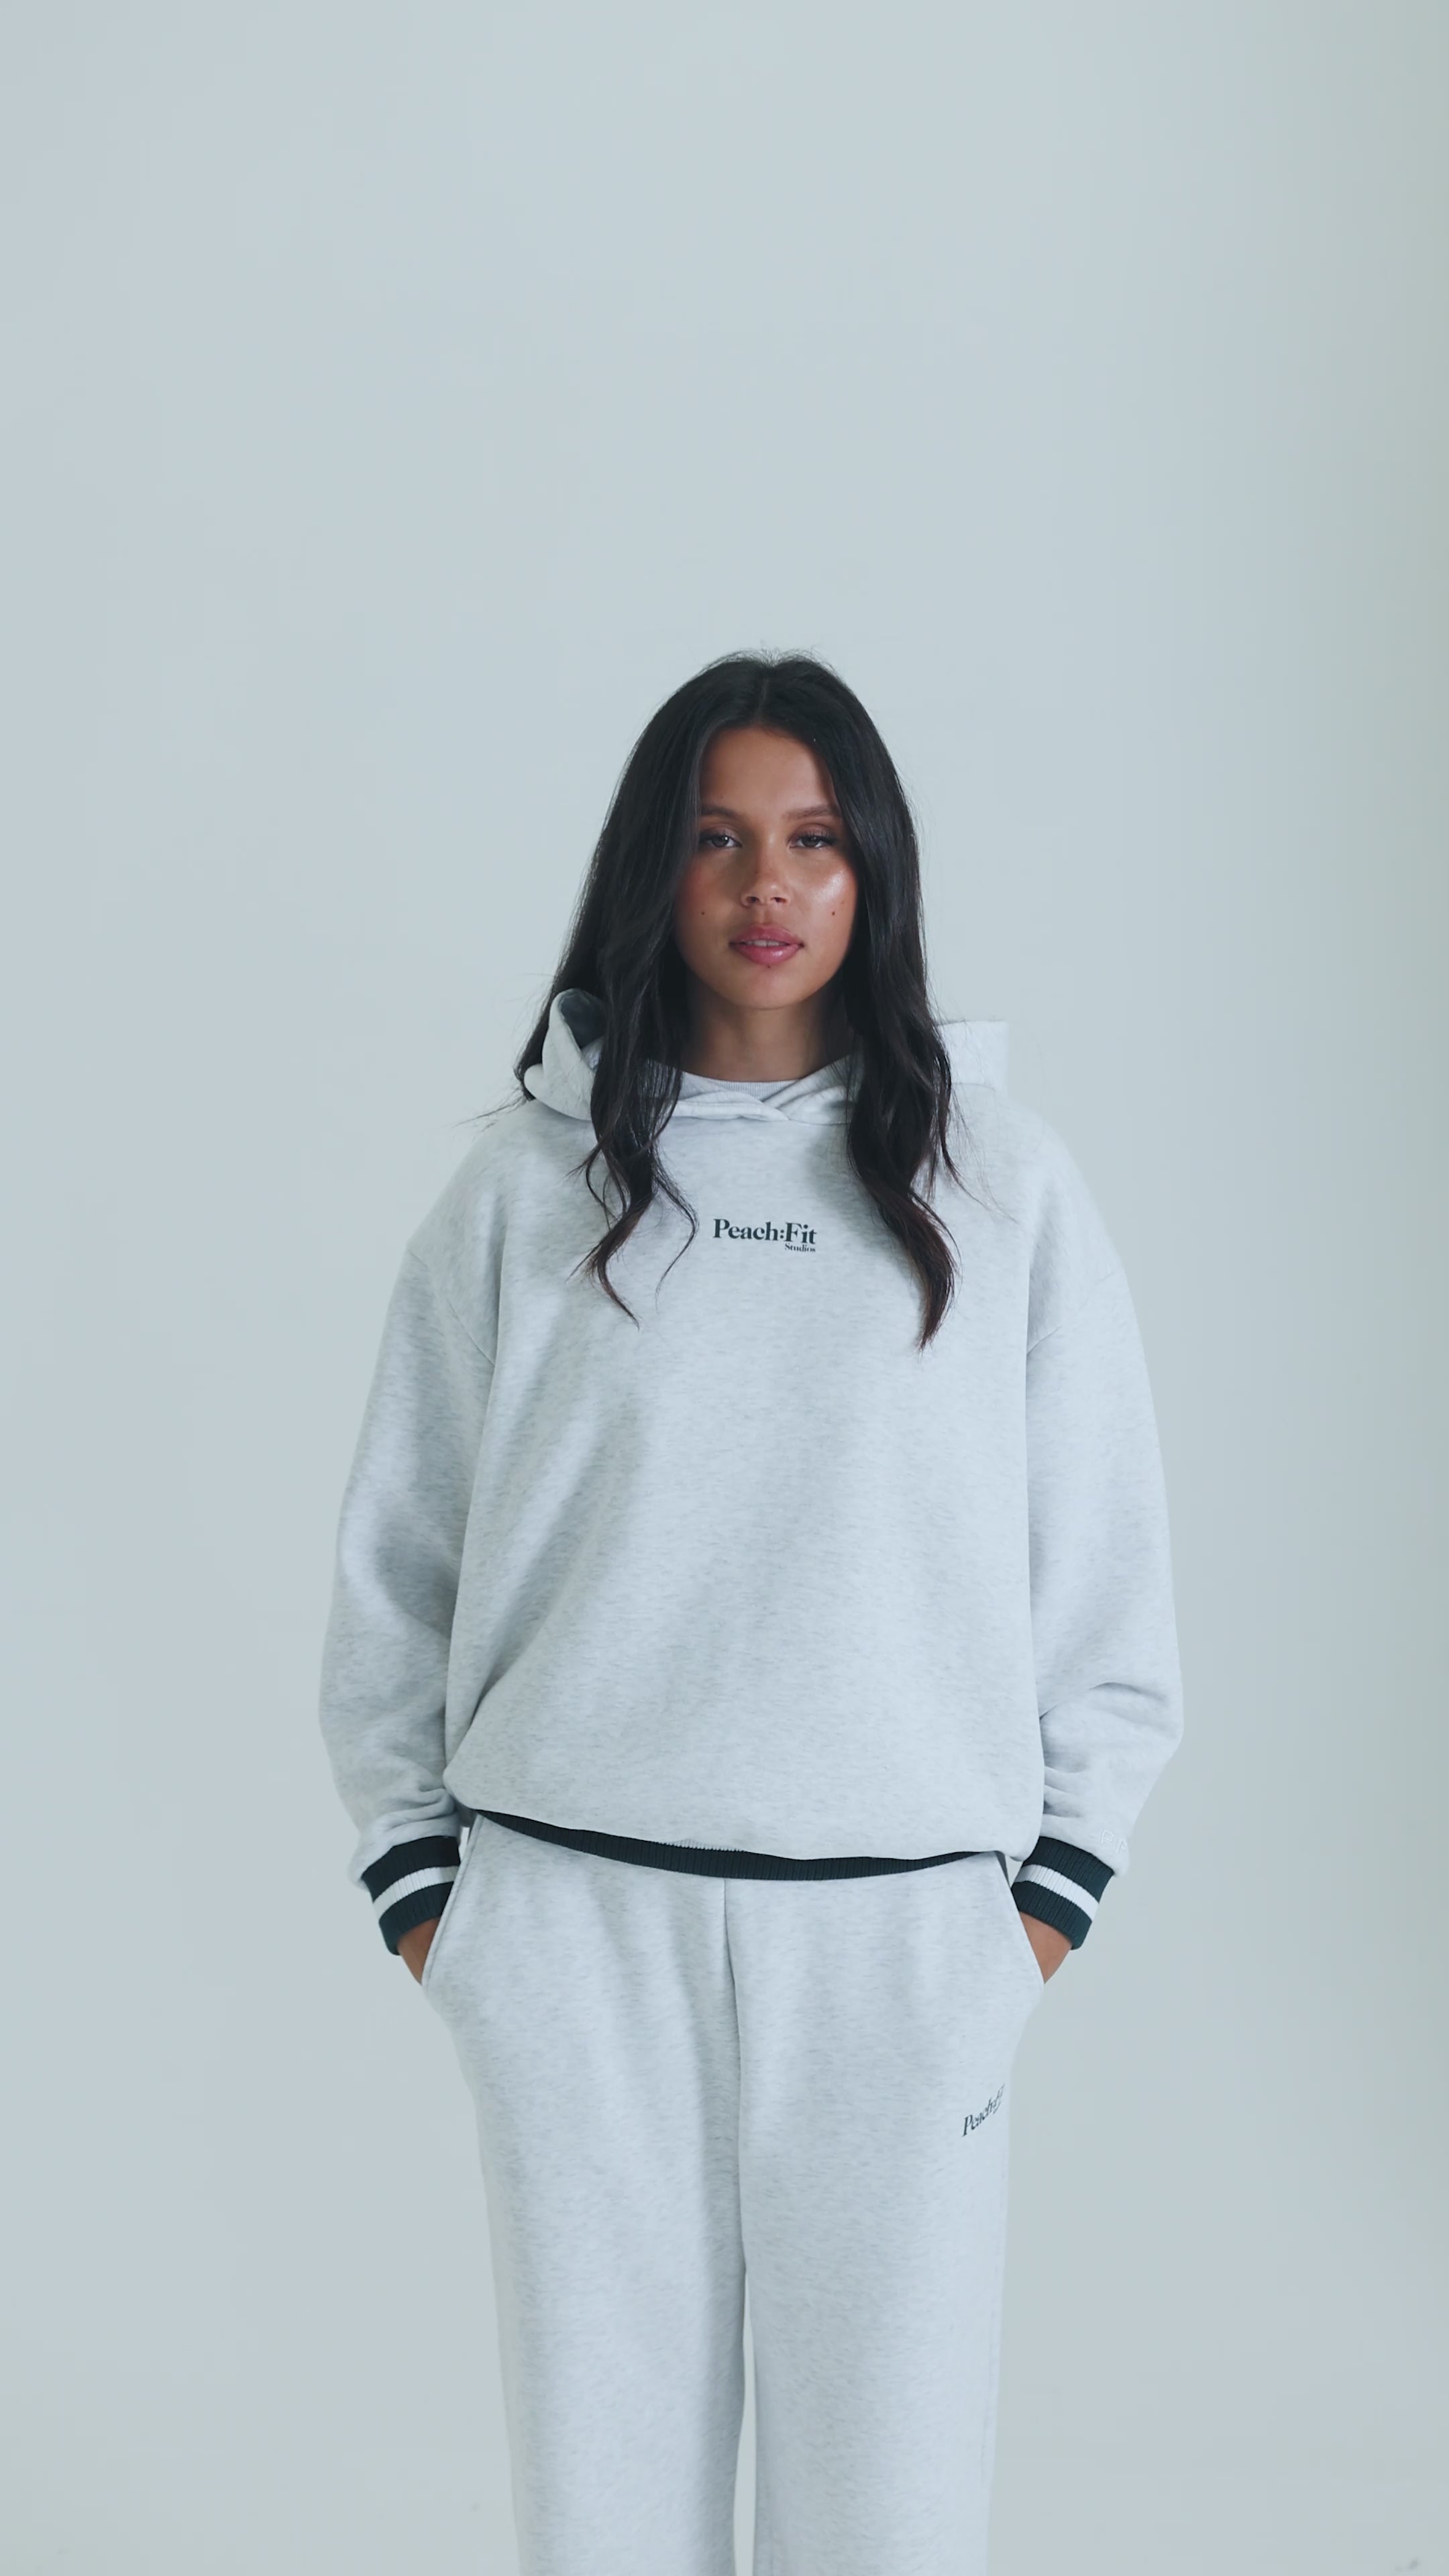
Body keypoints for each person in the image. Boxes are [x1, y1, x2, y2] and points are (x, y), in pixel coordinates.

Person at [318, 650, 1184, 2576]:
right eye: (717, 839)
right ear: (656, 866)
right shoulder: (524, 1193)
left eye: (812, 838)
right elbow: (396, 1575)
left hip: (904, 1957)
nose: (767, 884)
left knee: (891, 2527)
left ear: (873, 869)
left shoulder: (999, 1189)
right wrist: (439, 1908)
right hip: (574, 1940)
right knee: (603, 2528)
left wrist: (1028, 1922)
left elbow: (1108, 1594)